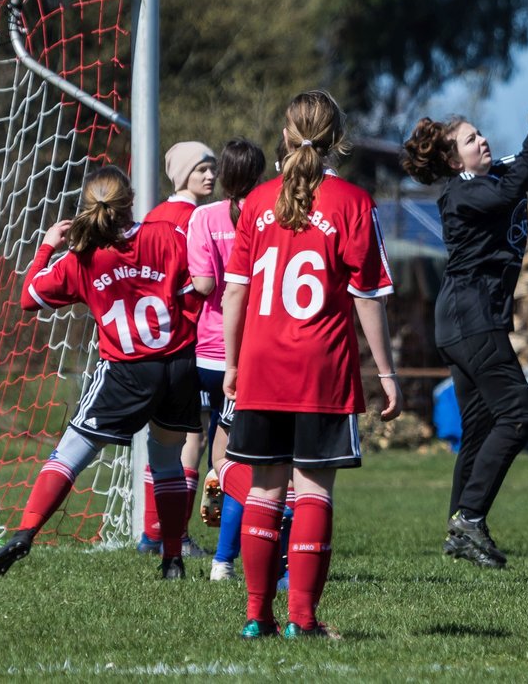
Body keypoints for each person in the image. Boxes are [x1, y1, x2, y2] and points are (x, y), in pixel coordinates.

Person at [400, 86, 528, 569]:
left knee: (478, 427)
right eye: (472, 139)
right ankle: (470, 517)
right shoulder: (463, 192)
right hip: (469, 320)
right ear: (454, 160)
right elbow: (509, 191)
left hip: (467, 320)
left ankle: (460, 528)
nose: (483, 140)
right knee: (518, 413)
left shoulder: (491, 176)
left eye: (481, 133)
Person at [223, 90, 400, 639]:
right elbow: (369, 296)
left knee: (263, 490)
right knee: (314, 491)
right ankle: (302, 619)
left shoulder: (255, 202)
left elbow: (235, 294)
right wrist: (388, 374)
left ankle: (256, 616)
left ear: (285, 133)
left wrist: (232, 363)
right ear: (337, 140)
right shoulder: (352, 201)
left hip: (260, 363)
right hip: (320, 368)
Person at [0, 165, 202, 579]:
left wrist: (47, 246)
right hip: (177, 367)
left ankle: (25, 533)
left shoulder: (82, 256)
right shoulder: (167, 236)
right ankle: (172, 556)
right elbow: (197, 292)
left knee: (69, 455)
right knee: (168, 461)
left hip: (125, 371)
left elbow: (29, 298)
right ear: (131, 201)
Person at [184, 138, 267, 581]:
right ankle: (223, 560)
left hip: (206, 353)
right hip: (249, 355)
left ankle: (171, 538)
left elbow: (202, 284)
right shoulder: (268, 216)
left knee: (190, 442)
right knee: (239, 459)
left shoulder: (203, 217)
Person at [137, 140, 217, 558]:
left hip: (154, 342)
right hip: (194, 339)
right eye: (202, 168)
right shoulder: (199, 218)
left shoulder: (152, 217)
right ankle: (174, 535)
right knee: (193, 436)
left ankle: (154, 532)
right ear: (183, 172)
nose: (210, 175)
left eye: (212, 168)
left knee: (163, 438)